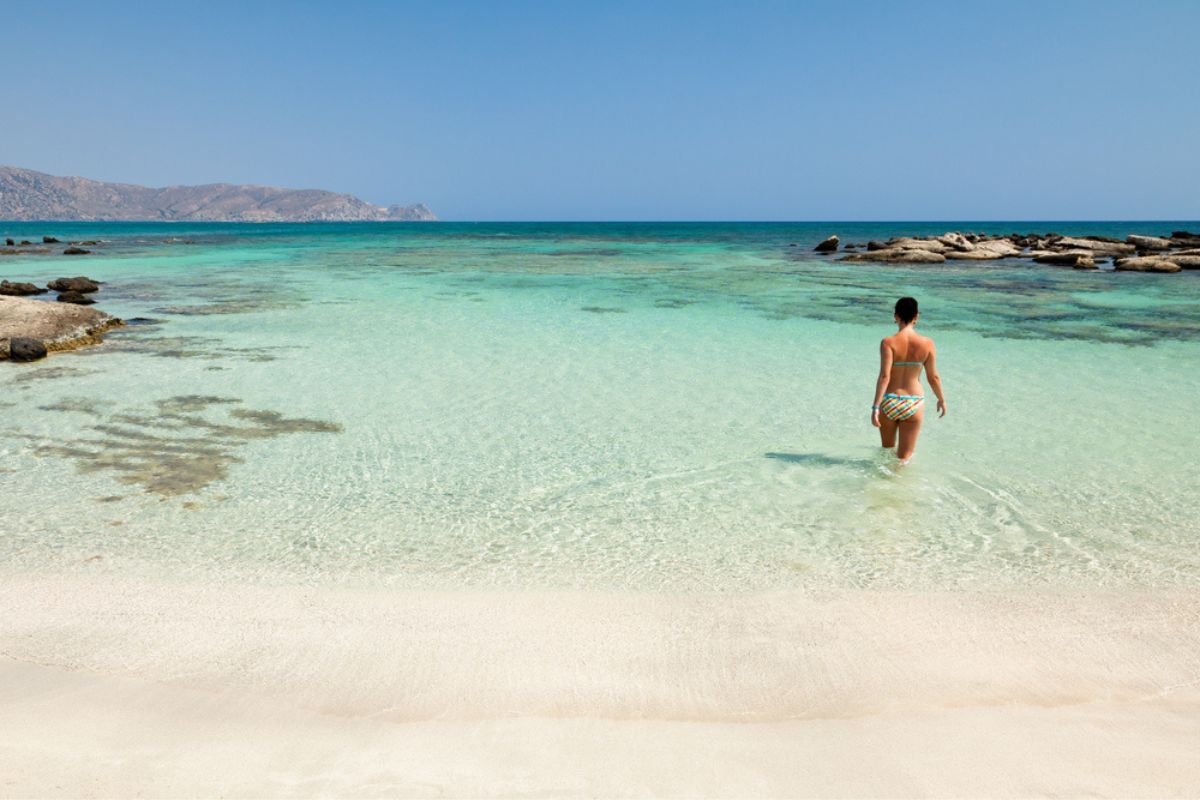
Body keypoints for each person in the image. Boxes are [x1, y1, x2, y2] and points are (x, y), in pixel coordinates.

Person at [871, 297, 946, 462]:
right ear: (917, 316)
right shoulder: (927, 343)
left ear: (896, 316)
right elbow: (933, 377)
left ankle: (882, 483)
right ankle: (899, 486)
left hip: (889, 400)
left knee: (886, 453)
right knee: (903, 459)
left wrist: (875, 407)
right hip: (914, 402)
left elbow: (885, 376)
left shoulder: (888, 342)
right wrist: (941, 399)